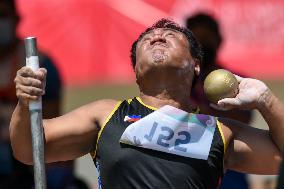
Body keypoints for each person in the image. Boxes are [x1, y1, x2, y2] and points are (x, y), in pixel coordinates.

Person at [10, 19, 284, 189]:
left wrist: (266, 100)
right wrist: (25, 102)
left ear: (196, 66)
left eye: (171, 36)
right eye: (146, 39)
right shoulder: (106, 114)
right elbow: (28, 148)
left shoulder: (218, 132)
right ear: (137, 71)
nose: (156, 36)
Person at [0, 0, 77, 188]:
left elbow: (50, 123)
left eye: (2, 15)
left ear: (16, 19)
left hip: (29, 147)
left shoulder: (40, 65)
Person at [186, 13, 251, 189]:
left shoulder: (237, 80)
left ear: (219, 40)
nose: (201, 45)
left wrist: (202, 108)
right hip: (189, 171)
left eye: (206, 39)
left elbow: (243, 119)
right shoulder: (178, 84)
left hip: (230, 172)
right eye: (196, 40)